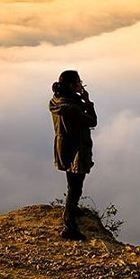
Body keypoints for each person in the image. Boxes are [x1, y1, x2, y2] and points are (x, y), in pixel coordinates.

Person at [49, 70, 97, 240]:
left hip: (64, 146)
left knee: (72, 184)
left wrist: (81, 99)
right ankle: (69, 225)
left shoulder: (57, 101)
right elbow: (92, 121)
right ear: (71, 85)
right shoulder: (72, 107)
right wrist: (88, 101)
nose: (81, 84)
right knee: (76, 187)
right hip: (77, 149)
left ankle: (72, 211)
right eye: (78, 82)